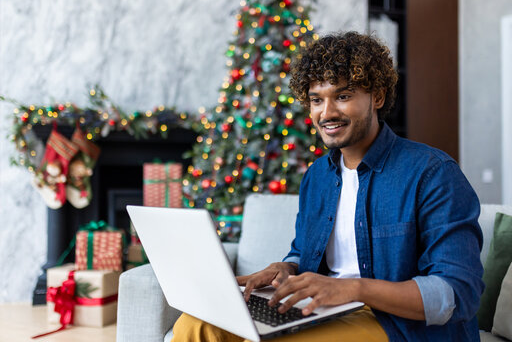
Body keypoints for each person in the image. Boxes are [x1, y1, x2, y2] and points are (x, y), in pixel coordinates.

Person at [172, 31, 484, 341]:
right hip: (324, 310)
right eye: (316, 100)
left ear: (377, 96)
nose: (327, 113)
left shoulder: (432, 172)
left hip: (398, 325)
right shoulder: (317, 176)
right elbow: (303, 251)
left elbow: (456, 293)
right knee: (195, 325)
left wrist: (353, 288)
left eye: (343, 96)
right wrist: (287, 268)